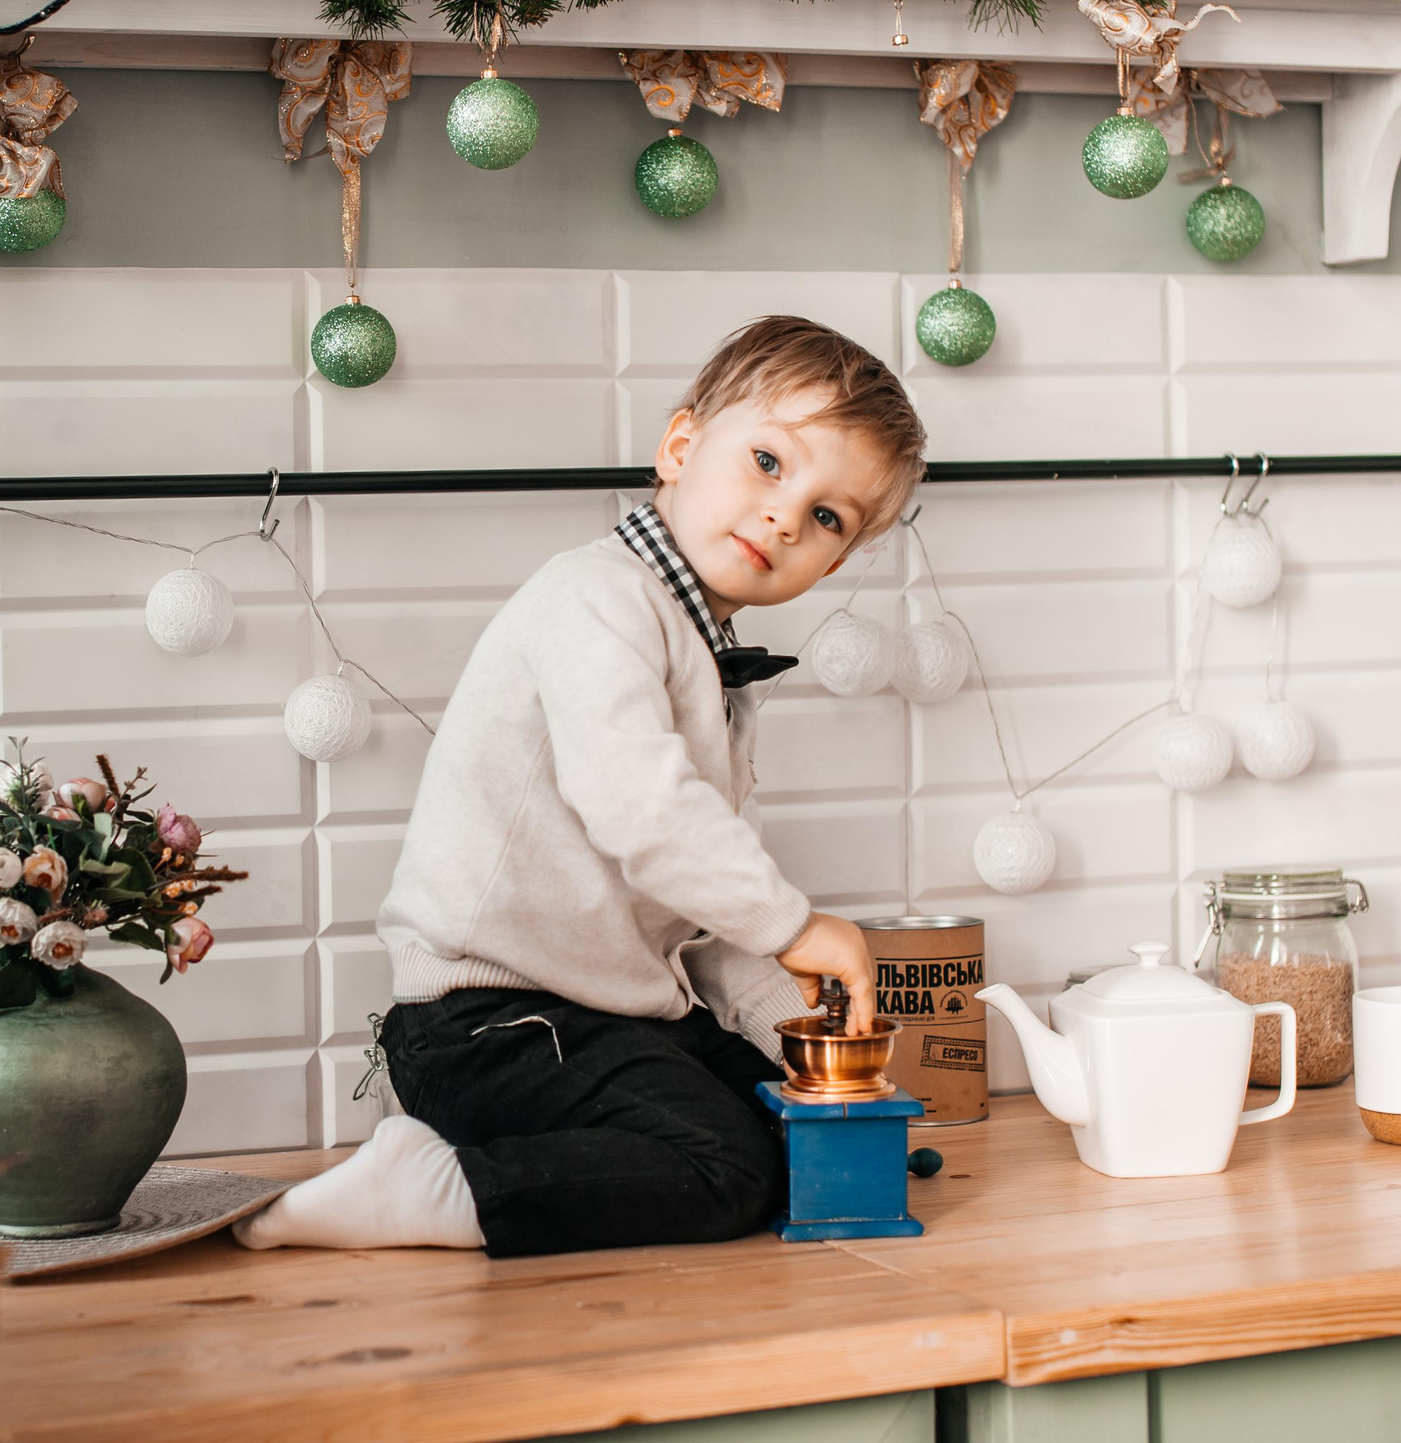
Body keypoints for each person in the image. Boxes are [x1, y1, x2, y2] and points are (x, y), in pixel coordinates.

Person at [236, 316, 929, 1257]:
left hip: (608, 1023)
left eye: (826, 517)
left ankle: (498, 1164)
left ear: (834, 564)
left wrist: (800, 1051)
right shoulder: (594, 598)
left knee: (792, 1140)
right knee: (731, 1169)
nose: (784, 515)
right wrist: (801, 927)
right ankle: (438, 1185)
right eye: (770, 463)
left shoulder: (701, 653)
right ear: (680, 446)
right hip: (488, 1026)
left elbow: (702, 912)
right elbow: (644, 814)